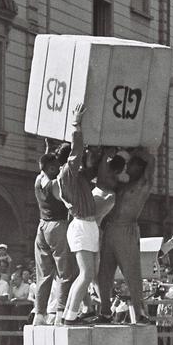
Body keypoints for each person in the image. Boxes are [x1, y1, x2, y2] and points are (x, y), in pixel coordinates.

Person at [56, 107, 115, 325]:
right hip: (81, 225)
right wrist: (76, 125)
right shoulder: (68, 172)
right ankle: (70, 316)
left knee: (87, 274)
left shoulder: (75, 176)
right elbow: (77, 150)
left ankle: (68, 315)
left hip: (86, 225)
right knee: (87, 274)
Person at [96, 148, 154, 324]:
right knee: (104, 273)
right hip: (110, 229)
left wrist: (134, 148)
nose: (127, 167)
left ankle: (140, 313)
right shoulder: (121, 184)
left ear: (140, 168)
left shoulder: (144, 184)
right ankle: (105, 311)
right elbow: (102, 179)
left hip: (127, 229)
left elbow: (151, 160)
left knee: (132, 273)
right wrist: (108, 154)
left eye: (132, 165)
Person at [33, 151, 76, 325]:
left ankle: (39, 314)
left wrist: (49, 148)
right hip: (57, 226)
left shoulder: (38, 180)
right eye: (56, 166)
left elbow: (44, 160)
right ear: (50, 168)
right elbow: (68, 203)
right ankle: (60, 313)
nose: (59, 168)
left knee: (43, 274)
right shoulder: (54, 184)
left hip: (41, 226)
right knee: (65, 272)